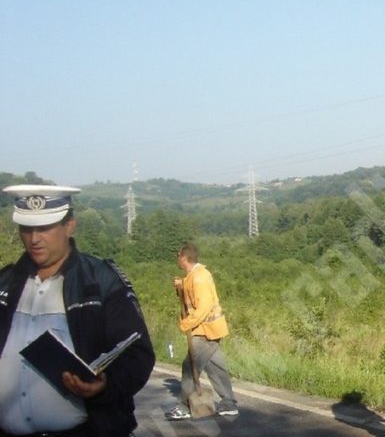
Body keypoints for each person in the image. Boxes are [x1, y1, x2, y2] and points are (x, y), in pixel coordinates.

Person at [0, 184, 155, 437]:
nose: (34, 238)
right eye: (26, 229)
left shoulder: (100, 282)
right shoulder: (5, 282)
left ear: (69, 225)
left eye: (45, 228)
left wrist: (105, 386)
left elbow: (137, 355)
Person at [165, 242, 238, 420]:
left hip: (206, 331)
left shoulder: (199, 278)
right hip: (210, 330)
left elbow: (203, 307)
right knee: (215, 366)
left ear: (184, 258)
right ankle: (229, 403)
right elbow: (191, 290)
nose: (177, 260)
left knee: (190, 366)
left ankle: (184, 406)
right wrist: (181, 285)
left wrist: (186, 324)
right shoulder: (193, 276)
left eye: (178, 257)